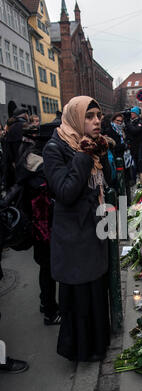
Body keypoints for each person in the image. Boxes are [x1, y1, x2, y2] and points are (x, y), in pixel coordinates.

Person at [43, 96, 112, 362]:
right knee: (80, 295)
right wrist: (84, 156)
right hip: (74, 235)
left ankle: (98, 346)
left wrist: (102, 153)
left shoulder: (91, 146)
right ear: (75, 117)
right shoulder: (55, 148)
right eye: (89, 116)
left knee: (96, 290)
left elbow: (106, 181)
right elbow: (65, 191)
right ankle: (82, 350)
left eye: (98, 116)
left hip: (94, 228)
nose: (96, 121)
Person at [16, 123, 60, 326]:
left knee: (45, 268)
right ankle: (50, 312)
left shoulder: (29, 157)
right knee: (49, 269)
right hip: (43, 227)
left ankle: (46, 304)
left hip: (39, 226)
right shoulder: (39, 164)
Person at [3, 108, 29, 190]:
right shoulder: (28, 127)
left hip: (16, 166)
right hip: (29, 165)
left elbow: (8, 152)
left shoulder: (11, 129)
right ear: (25, 115)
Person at [124, 107, 142, 176]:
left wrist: (127, 123)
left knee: (138, 161)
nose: (131, 114)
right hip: (130, 144)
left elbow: (134, 131)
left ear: (137, 114)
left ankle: (139, 175)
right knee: (131, 161)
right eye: (131, 113)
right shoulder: (130, 121)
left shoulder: (139, 122)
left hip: (137, 145)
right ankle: (133, 176)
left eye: (133, 113)